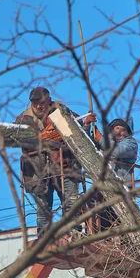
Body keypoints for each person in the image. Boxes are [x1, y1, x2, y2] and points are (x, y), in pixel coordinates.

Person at [15, 87, 87, 234]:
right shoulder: (23, 119)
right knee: (43, 209)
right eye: (35, 103)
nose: (39, 106)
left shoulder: (61, 111)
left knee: (71, 203)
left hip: (66, 166)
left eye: (42, 102)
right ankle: (44, 239)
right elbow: (17, 139)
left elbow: (78, 127)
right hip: (38, 171)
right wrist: (43, 140)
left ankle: (74, 234)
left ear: (49, 100)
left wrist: (84, 124)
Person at [84, 114, 138, 182]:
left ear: (128, 133)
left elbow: (115, 152)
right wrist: (86, 125)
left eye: (123, 130)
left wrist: (101, 139)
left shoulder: (131, 144)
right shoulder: (104, 141)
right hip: (101, 184)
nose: (119, 132)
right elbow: (85, 145)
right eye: (117, 128)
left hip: (121, 186)